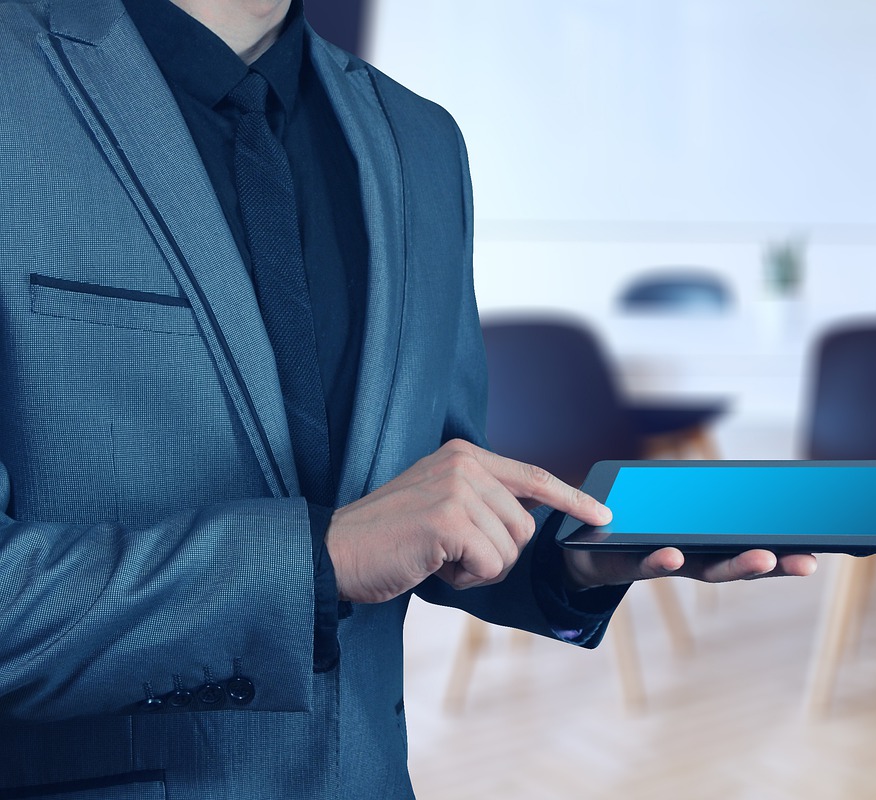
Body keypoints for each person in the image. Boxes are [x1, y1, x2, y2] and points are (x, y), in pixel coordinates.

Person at [0, 0, 816, 796]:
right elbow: (353, 546)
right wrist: (322, 561)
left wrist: (574, 560)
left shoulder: (419, 140)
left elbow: (419, 494)